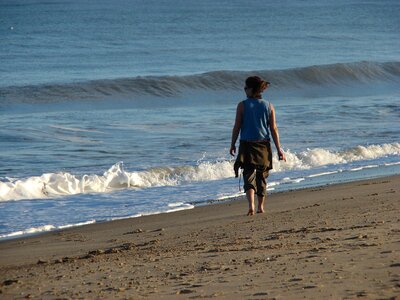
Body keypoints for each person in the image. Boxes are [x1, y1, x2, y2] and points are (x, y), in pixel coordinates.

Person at [230, 76, 286, 216]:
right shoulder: (269, 106)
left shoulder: (242, 105)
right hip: (263, 145)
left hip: (246, 145)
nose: (244, 90)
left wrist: (232, 144)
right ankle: (261, 207)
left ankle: (251, 205)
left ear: (251, 89)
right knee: (262, 177)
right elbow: (273, 128)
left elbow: (237, 126)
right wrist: (279, 149)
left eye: (245, 88)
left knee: (248, 175)